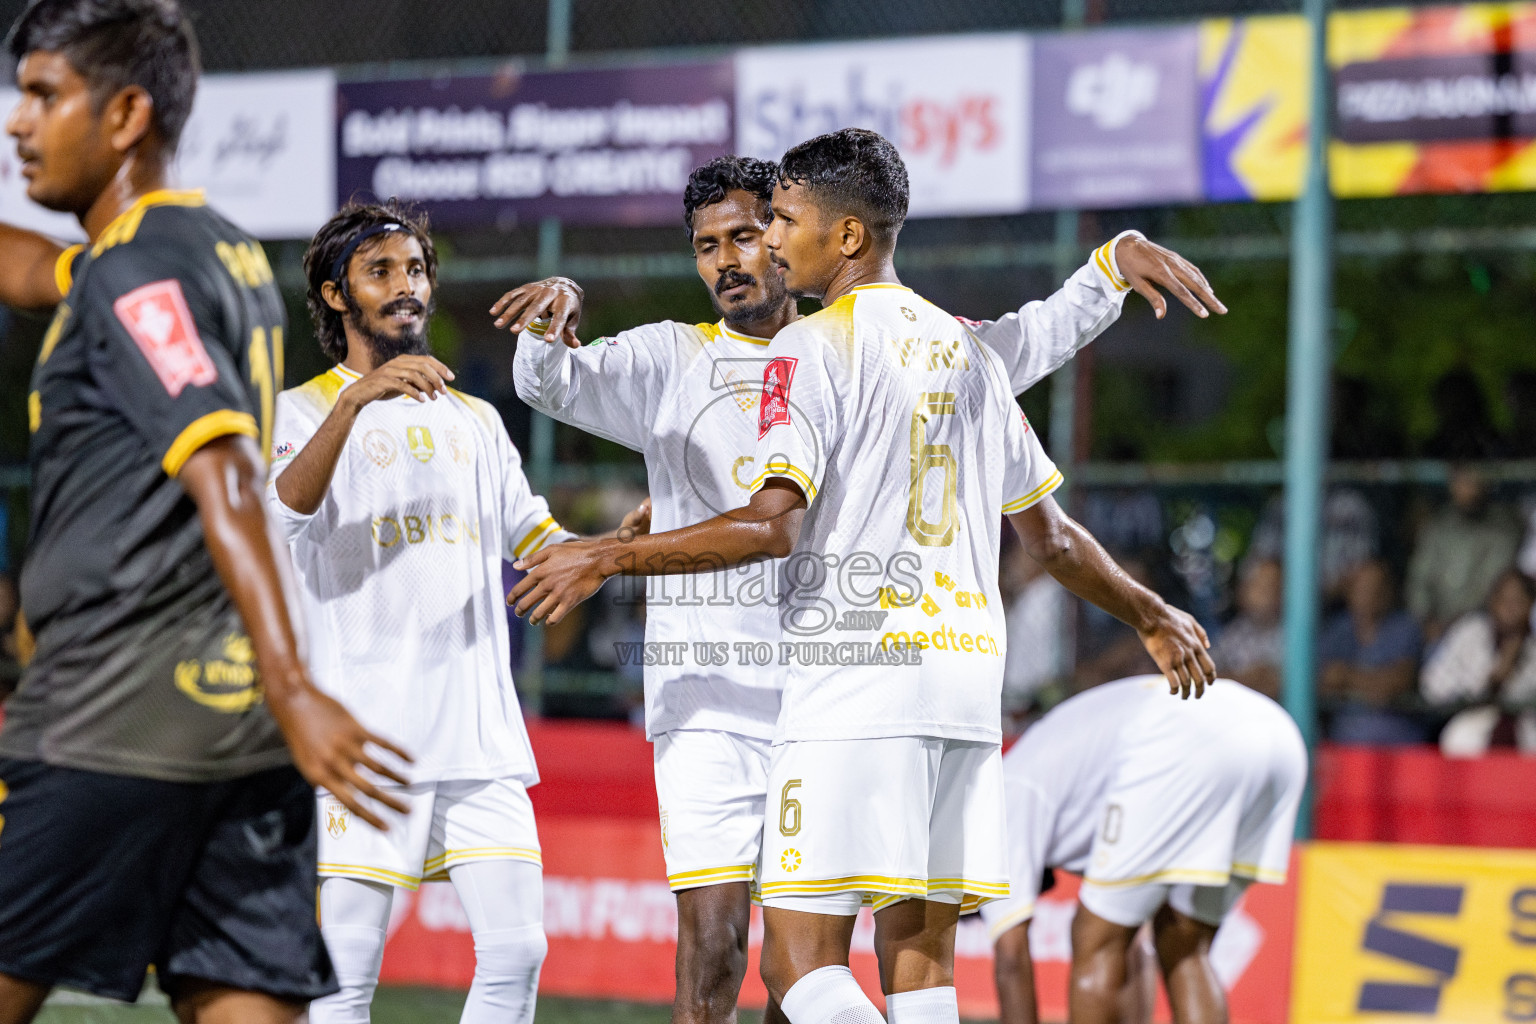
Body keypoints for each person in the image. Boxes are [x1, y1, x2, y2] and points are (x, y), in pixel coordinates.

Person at [493, 153, 1223, 1024]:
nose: (746, 250)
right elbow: (1050, 532)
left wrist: (605, 557)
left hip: (845, 687)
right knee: (906, 966)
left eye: (769, 225)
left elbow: (772, 526)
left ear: (829, 234)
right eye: (712, 244)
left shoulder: (811, 349)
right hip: (912, 690)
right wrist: (1151, 612)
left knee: (799, 971)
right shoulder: (949, 346)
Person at [0, 3, 408, 1022]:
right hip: (239, 739)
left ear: (127, 113)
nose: (16, 122)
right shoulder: (215, 253)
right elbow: (39, 272)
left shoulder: (135, 265)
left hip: (110, 715)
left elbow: (225, 471)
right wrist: (277, 697)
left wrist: (298, 681)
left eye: (45, 95)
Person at [264, 201, 644, 1024]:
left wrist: (610, 546)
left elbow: (535, 537)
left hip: (478, 739)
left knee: (517, 952)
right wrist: (355, 404)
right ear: (337, 296)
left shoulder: (475, 421)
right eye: (382, 272)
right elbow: (279, 520)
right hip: (366, 743)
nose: (408, 286)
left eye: (417, 269)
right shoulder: (301, 413)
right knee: (344, 972)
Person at [984, 676, 1306, 1024]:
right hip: (1276, 736)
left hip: (1185, 739)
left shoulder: (998, 805)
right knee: (1184, 945)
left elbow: (1012, 959)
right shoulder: (1039, 768)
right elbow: (1131, 941)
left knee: (1094, 938)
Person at [1422, 569, 1536, 755]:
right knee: (1458, 740)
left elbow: (1524, 697)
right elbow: (1432, 685)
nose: (1509, 608)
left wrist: (1513, 658)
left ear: (1530, 605)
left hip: (1525, 729)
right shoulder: (1469, 631)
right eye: (1504, 600)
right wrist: (1491, 679)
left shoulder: (1533, 644)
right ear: (1492, 600)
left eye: (1518, 601)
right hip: (1472, 719)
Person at [1407, 465, 1522, 645]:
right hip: (1431, 627)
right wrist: (1425, 620)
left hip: (1480, 625)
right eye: (1461, 480)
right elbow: (1419, 580)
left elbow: (1492, 586)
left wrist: (1455, 624)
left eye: (1473, 479)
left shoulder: (1503, 528)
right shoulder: (1439, 525)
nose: (1467, 487)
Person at [1318, 560, 1426, 745]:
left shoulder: (1405, 627)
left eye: (1376, 588)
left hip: (1397, 739)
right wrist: (1369, 681)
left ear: (1389, 592)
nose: (1368, 595)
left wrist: (1346, 677)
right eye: (1362, 588)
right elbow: (1321, 680)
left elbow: (1399, 682)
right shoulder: (1338, 630)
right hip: (1343, 740)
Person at [1212, 558, 1283, 699]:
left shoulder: (1296, 632)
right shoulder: (1236, 631)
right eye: (1258, 586)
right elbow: (1205, 674)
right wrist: (1246, 679)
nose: (1265, 595)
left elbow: (1275, 684)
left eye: (1272, 587)